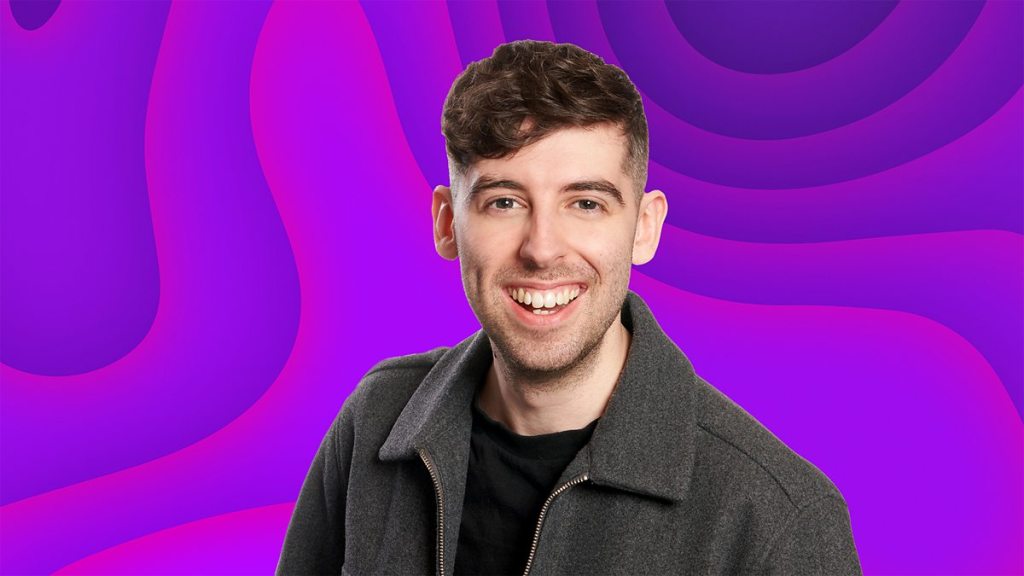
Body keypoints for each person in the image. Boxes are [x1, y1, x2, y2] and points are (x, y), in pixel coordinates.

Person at [277, 40, 861, 575]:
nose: (542, 249)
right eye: (505, 201)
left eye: (585, 203)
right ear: (448, 223)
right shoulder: (376, 422)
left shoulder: (777, 520)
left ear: (644, 227)